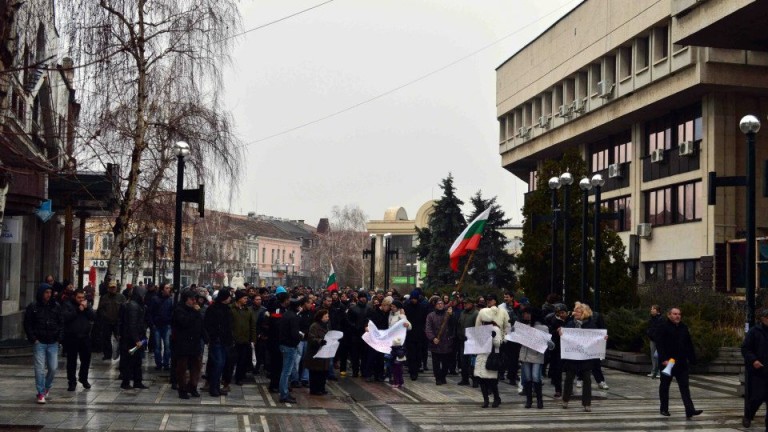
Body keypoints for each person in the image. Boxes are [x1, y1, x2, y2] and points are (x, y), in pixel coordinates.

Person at [656, 307, 702, 419]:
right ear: (669, 315)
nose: (678, 316)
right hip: (668, 363)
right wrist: (663, 359)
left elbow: (689, 344)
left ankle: (690, 410)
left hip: (681, 363)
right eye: (675, 314)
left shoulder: (683, 327)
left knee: (685, 387)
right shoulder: (663, 327)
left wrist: (692, 359)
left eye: (679, 314)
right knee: (665, 386)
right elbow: (659, 344)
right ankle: (664, 409)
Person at [560, 303, 605, 412]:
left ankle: (587, 403)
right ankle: (565, 400)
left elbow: (597, 337)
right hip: (573, 356)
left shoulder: (591, 325)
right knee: (569, 378)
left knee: (587, 379)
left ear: (584, 313)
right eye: (575, 311)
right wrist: (561, 333)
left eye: (578, 312)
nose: (575, 313)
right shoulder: (570, 324)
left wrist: (603, 338)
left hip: (586, 357)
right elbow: (564, 336)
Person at [24, 283, 63, 404]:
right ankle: (41, 392)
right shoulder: (33, 306)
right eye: (46, 292)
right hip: (39, 342)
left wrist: (59, 338)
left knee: (53, 367)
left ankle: (47, 387)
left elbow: (61, 323)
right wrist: (33, 338)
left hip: (52, 342)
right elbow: (27, 323)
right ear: (41, 293)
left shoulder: (56, 306)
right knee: (39, 369)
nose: (48, 295)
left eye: (50, 293)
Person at [517, 306, 554, 409]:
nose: (525, 315)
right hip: (525, 355)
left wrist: (549, 342)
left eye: (527, 313)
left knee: (535, 377)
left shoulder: (543, 328)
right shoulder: (525, 326)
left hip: (536, 356)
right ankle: (529, 400)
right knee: (527, 377)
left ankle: (539, 400)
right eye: (524, 313)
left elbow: (550, 344)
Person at [172, 289, 205, 399]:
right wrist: (195, 312)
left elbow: (200, 323)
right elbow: (184, 322)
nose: (194, 301)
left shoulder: (195, 310)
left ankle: (193, 386)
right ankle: (183, 389)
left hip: (194, 342)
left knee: (196, 366)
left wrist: (205, 337)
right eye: (192, 299)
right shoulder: (179, 309)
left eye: (195, 299)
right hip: (183, 343)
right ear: (186, 300)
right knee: (182, 368)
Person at [61, 288, 95, 391]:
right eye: (79, 297)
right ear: (74, 297)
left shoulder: (86, 305)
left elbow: (93, 316)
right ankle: (72, 382)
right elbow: (65, 317)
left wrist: (87, 308)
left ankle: (83, 378)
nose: (81, 299)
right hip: (72, 337)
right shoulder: (68, 305)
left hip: (84, 337)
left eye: (82, 297)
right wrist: (77, 310)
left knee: (86, 360)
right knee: (71, 361)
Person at [741, 307, 768, 428]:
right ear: (763, 319)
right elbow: (745, 349)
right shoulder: (754, 331)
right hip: (759, 371)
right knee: (757, 397)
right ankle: (748, 415)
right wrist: (754, 360)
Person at [204, 288, 233, 397]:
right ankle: (213, 387)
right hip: (216, 340)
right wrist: (213, 336)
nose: (230, 298)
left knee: (222, 364)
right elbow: (208, 324)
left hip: (225, 341)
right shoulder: (213, 309)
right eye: (228, 296)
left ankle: (216, 387)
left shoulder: (227, 308)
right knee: (218, 363)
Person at [474, 307, 502, 408]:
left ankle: (496, 398)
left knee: (492, 381)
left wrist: (493, 337)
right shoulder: (480, 329)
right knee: (481, 380)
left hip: (491, 358)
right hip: (481, 356)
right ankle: (485, 399)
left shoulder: (496, 329)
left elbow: (498, 344)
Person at [424, 298, 455, 385]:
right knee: (436, 363)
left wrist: (451, 315)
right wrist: (433, 338)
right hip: (436, 343)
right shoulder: (431, 315)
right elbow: (428, 328)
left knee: (445, 363)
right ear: (435, 305)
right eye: (438, 304)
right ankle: (438, 378)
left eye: (441, 303)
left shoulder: (447, 314)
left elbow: (453, 325)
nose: (440, 305)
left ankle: (443, 376)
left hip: (446, 342)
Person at [230, 290, 257, 386]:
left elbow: (252, 326)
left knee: (242, 361)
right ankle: (227, 378)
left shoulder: (248, 311)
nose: (246, 300)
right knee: (231, 360)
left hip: (245, 340)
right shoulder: (231, 309)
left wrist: (253, 339)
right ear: (239, 299)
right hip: (233, 340)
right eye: (244, 298)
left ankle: (239, 378)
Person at [278, 297, 302, 403]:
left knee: (286, 370)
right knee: (286, 371)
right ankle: (284, 394)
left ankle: (285, 392)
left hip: (284, 344)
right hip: (289, 345)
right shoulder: (293, 317)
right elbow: (294, 333)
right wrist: (299, 338)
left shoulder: (286, 314)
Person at [97, 280, 126, 361]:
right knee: (106, 338)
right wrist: (105, 316)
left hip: (118, 322)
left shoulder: (121, 297)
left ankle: (120, 354)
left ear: (116, 288)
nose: (113, 289)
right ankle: (107, 354)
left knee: (119, 338)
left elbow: (125, 309)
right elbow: (100, 309)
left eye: (114, 287)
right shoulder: (104, 297)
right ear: (108, 288)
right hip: (107, 321)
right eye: (111, 287)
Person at [305, 309, 330, 395]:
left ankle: (321, 388)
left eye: (328, 316)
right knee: (316, 373)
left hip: (324, 353)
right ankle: (315, 389)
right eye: (326, 316)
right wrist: (320, 341)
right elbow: (312, 338)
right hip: (316, 353)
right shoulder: (314, 326)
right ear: (321, 317)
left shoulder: (326, 326)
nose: (327, 318)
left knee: (323, 372)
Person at [148, 283, 173, 371]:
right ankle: (159, 363)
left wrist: (170, 322)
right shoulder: (155, 299)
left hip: (167, 326)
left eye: (169, 288)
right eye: (167, 288)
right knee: (157, 346)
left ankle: (166, 363)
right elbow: (150, 312)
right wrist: (152, 324)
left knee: (168, 346)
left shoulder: (170, 300)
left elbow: (172, 312)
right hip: (157, 326)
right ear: (162, 289)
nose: (169, 289)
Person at [456, 297, 479, 387]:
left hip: (472, 341)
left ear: (472, 304)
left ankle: (475, 380)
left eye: (467, 303)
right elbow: (459, 325)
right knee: (463, 361)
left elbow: (477, 327)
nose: (465, 305)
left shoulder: (476, 313)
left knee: (472, 362)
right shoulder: (463, 313)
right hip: (463, 340)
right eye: (464, 303)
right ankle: (465, 379)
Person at [647, 304, 663, 378]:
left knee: (658, 356)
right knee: (653, 356)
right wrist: (649, 333)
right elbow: (650, 327)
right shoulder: (651, 318)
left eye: (653, 309)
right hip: (652, 340)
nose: (651, 310)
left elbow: (659, 330)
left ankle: (659, 372)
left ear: (657, 311)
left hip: (659, 340)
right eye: (651, 309)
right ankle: (653, 371)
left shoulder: (661, 319)